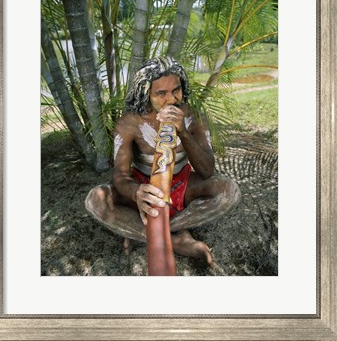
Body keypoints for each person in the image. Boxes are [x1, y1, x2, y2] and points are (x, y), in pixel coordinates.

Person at [86, 56, 241, 268]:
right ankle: (177, 239)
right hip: (145, 187)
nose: (171, 100)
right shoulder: (130, 122)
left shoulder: (192, 115)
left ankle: (145, 233)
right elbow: (120, 175)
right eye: (161, 93)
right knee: (97, 199)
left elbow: (207, 170)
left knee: (228, 190)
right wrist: (137, 192)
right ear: (146, 93)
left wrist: (183, 133)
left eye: (176, 90)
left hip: (183, 186)